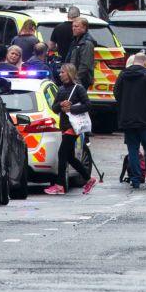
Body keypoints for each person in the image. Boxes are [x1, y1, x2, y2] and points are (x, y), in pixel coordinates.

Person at [44, 64, 98, 195]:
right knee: (69, 157)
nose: (60, 74)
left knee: (62, 154)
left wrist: (72, 108)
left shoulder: (78, 88)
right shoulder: (61, 89)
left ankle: (60, 185)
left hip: (73, 127)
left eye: (62, 72)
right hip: (64, 125)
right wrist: (60, 105)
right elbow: (54, 108)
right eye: (60, 72)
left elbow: (88, 105)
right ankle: (89, 178)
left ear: (69, 73)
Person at [115, 52, 146, 189]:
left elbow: (116, 94)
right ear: (145, 63)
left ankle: (135, 179)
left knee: (133, 150)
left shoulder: (123, 75)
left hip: (128, 120)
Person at [64, 16, 96, 89]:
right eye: (73, 26)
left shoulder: (87, 43)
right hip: (73, 78)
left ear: (84, 28)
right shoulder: (76, 40)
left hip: (81, 80)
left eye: (76, 26)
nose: (73, 28)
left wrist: (75, 79)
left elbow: (85, 65)